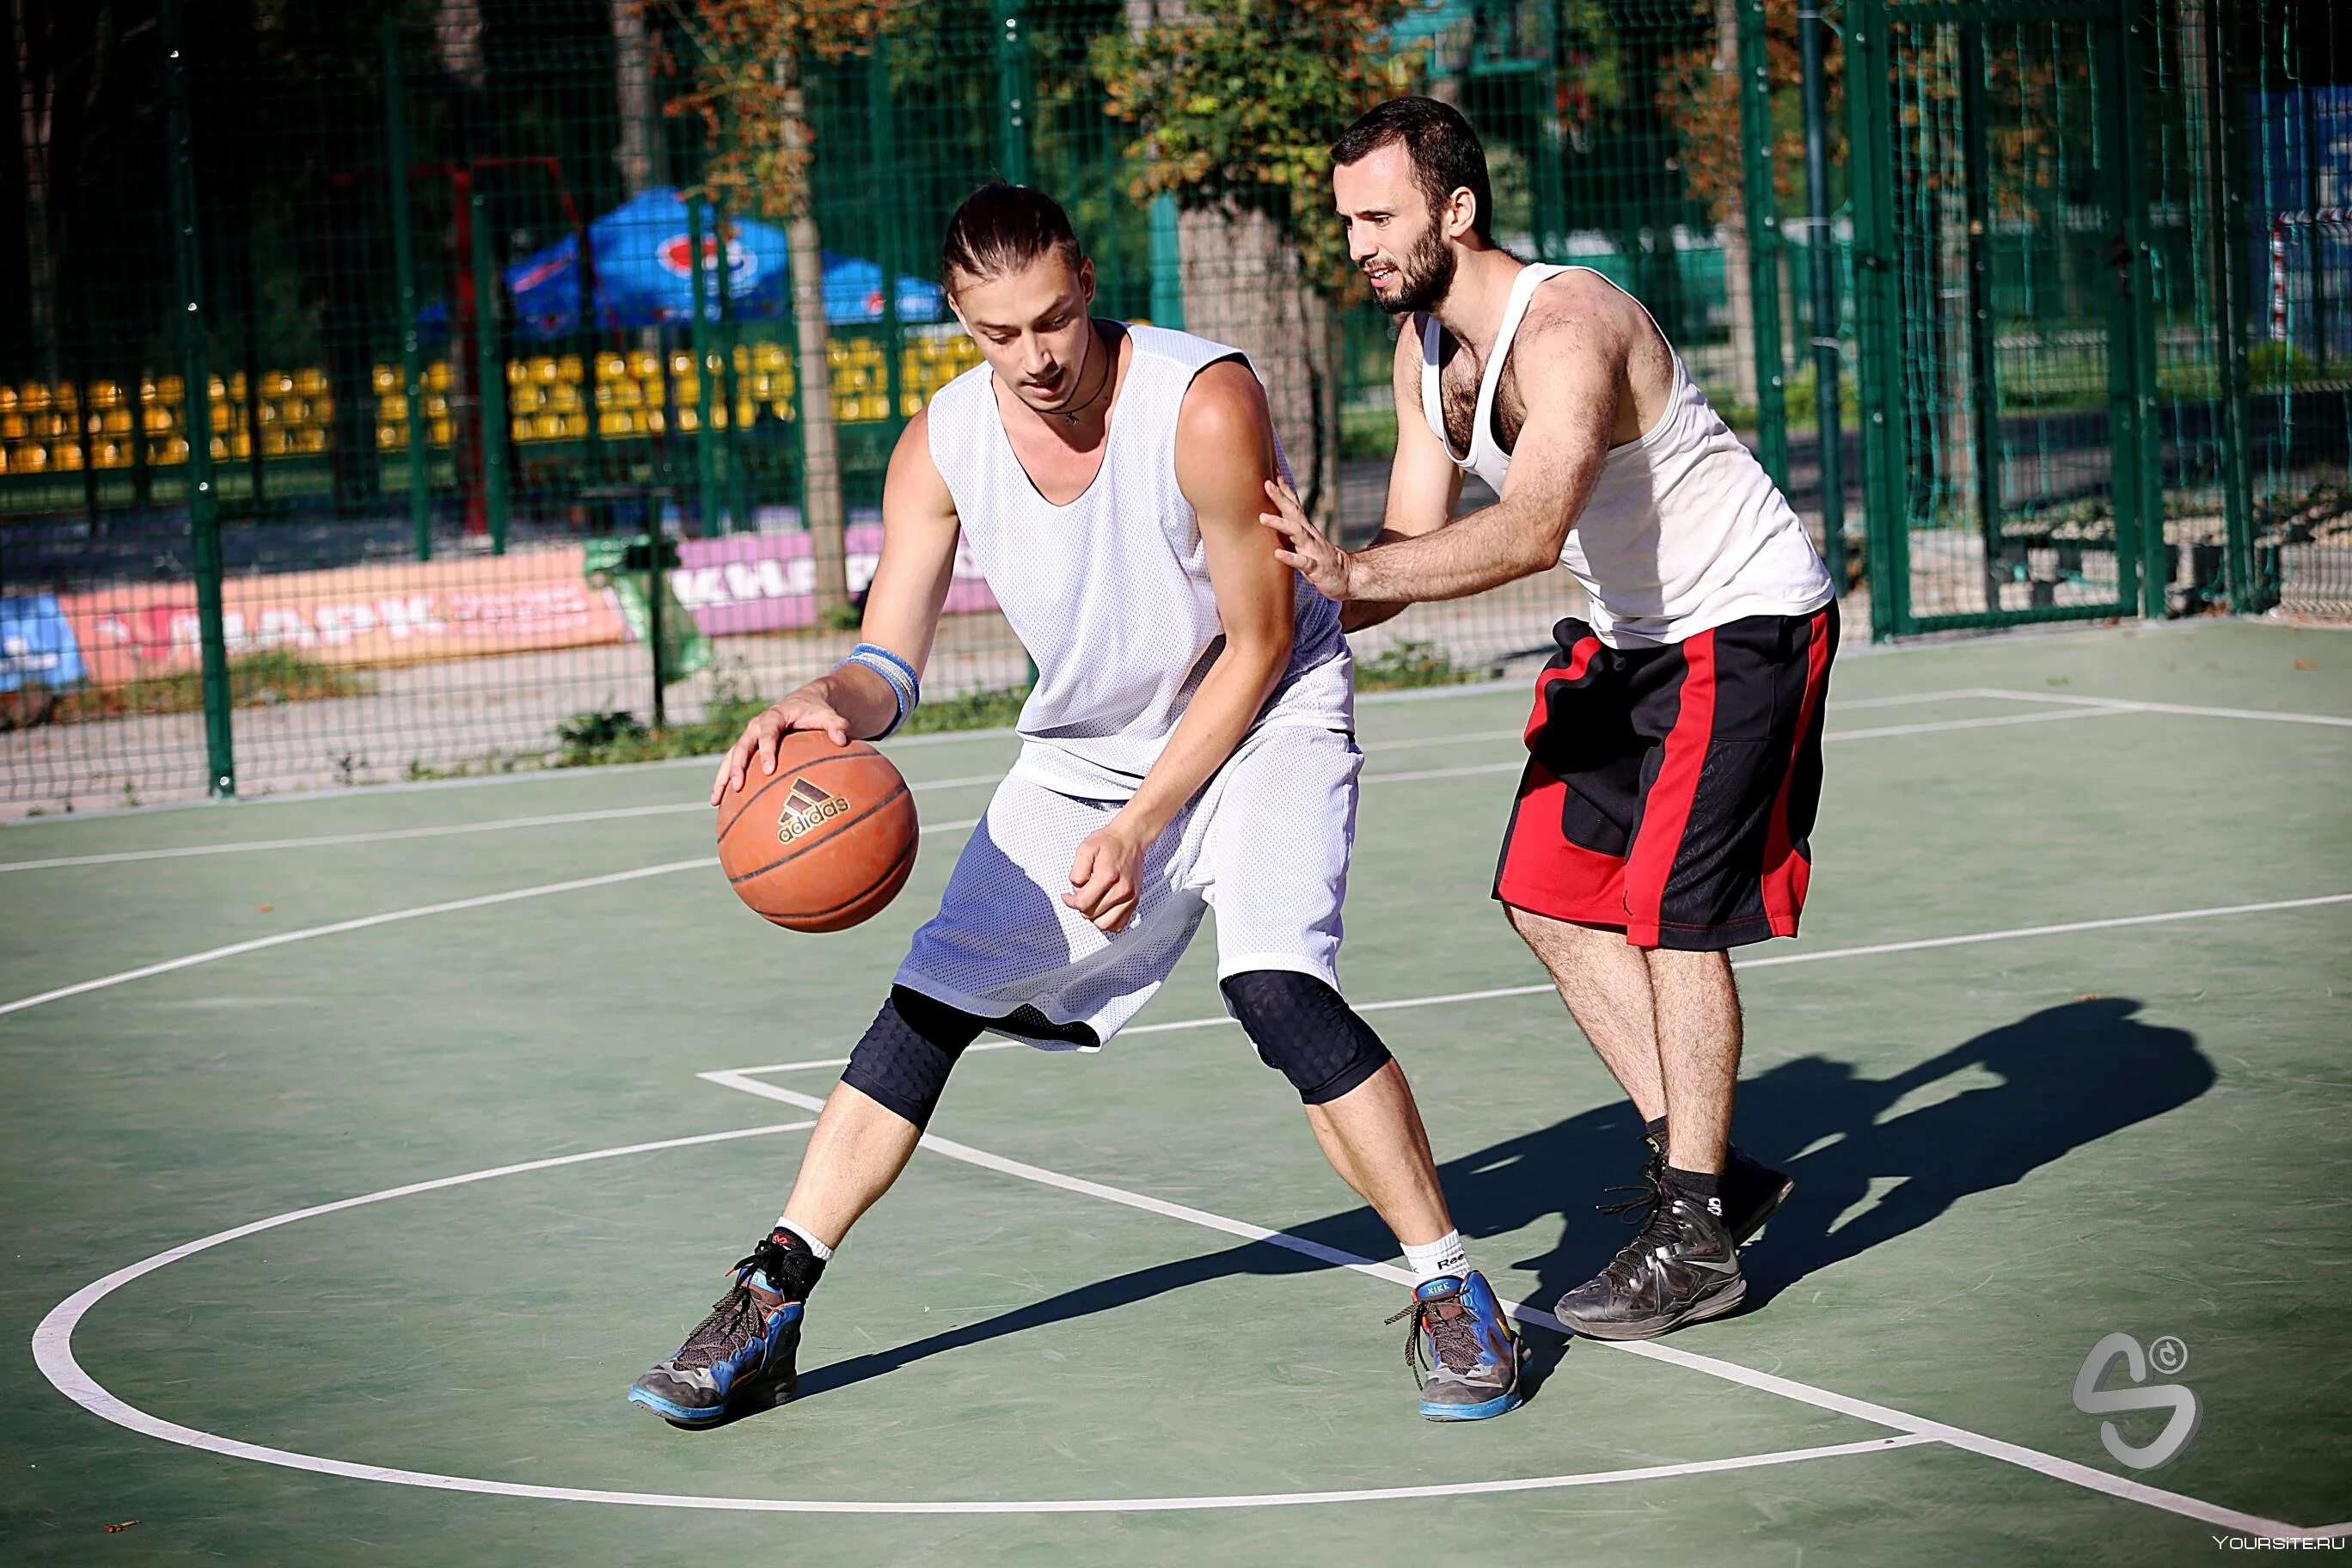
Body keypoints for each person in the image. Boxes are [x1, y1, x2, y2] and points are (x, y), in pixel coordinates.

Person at [628, 183, 1523, 1427]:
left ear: (1089, 284)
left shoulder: (1200, 400)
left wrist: (1145, 823)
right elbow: (888, 664)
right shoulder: (941, 444)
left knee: (1276, 987)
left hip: (1266, 716)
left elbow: (1262, 641)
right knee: (925, 1005)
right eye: (1000, 333)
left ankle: (1451, 1288)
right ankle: (771, 1297)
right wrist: (826, 703)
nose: (1037, 357)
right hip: (1093, 745)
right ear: (958, 317)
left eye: (1053, 319)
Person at [1259, 98, 1838, 1340]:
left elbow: (1524, 532)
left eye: (1378, 216)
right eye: (1346, 218)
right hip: (1629, 640)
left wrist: (1350, 574)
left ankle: (1694, 1230)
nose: (1356, 241)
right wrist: (1263, 631)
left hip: (1739, 624)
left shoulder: (1568, 325)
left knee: (1676, 917)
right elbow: (1408, 549)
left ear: (1456, 210)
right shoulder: (1424, 353)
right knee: (1547, 891)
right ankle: (1719, 1173)